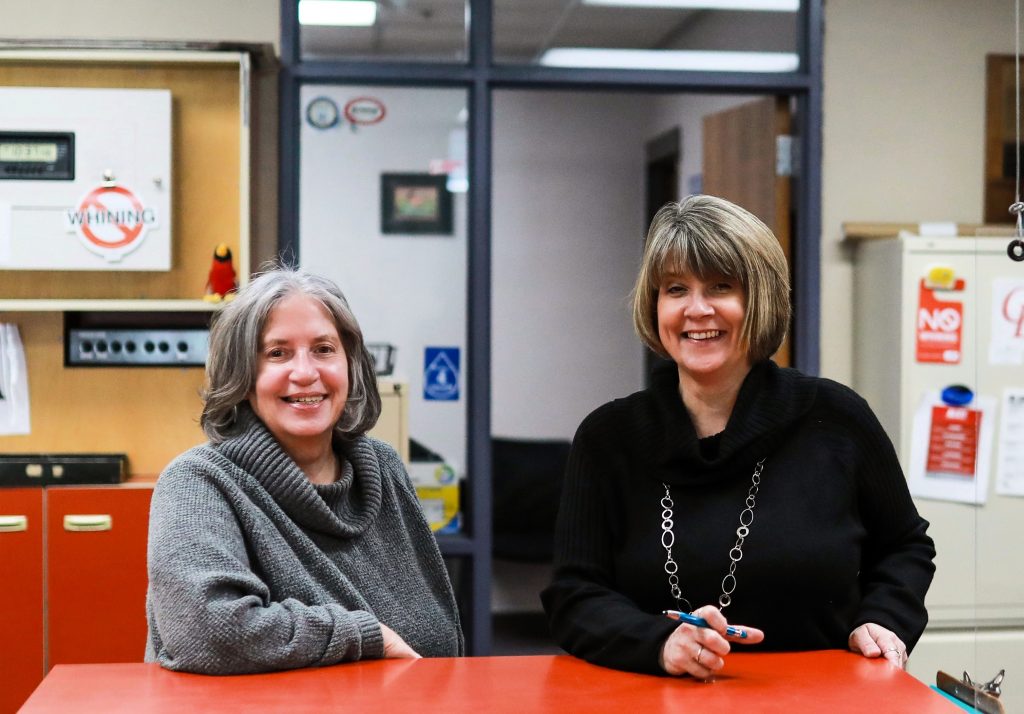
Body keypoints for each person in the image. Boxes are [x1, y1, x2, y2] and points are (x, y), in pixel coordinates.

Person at [541, 195, 935, 678]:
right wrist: (661, 645)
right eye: (676, 288)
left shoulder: (836, 418)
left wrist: (884, 618)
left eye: (721, 287)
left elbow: (904, 545)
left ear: (760, 299)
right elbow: (574, 594)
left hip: (818, 701)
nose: (697, 309)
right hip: (651, 700)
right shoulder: (608, 437)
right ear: (655, 304)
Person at [145, 266, 463, 674]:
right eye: (277, 353)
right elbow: (208, 632)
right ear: (243, 376)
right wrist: (368, 637)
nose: (306, 373)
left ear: (350, 363)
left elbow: (443, 636)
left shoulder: (384, 468)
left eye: (324, 349)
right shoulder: (198, 483)